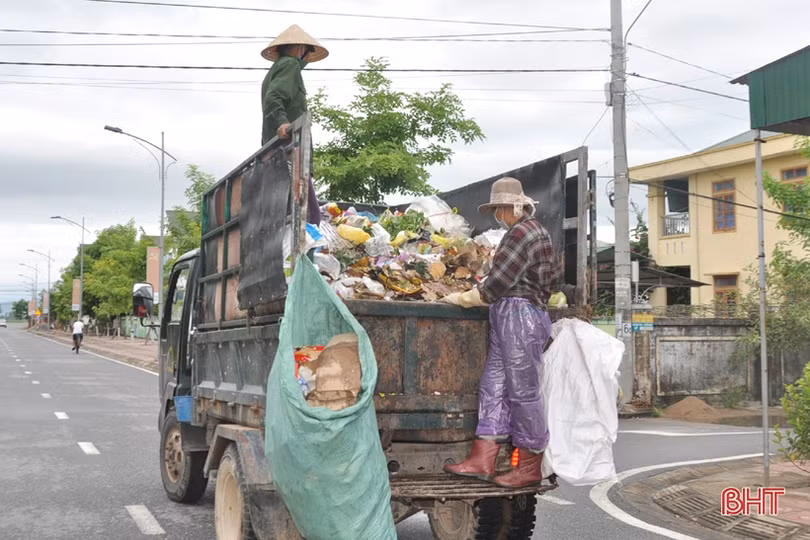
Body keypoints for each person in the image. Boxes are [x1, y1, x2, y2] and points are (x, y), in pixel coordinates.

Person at [441, 177, 559, 488]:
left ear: (512, 207)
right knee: (493, 384)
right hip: (509, 314)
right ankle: (483, 458)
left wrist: (465, 298)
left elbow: (497, 283)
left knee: (522, 392)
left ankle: (530, 463)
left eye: (500, 209)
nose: (498, 216)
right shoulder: (531, 232)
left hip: (520, 315)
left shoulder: (521, 232)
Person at [260, 24, 329, 225]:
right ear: (299, 48)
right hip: (291, 151)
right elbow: (274, 98)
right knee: (311, 217)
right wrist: (282, 123)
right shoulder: (289, 65)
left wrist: (303, 62)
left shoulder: (280, 68)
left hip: (279, 153)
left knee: (290, 213)